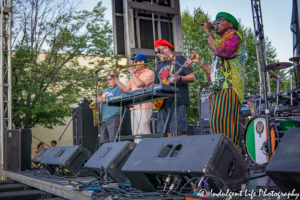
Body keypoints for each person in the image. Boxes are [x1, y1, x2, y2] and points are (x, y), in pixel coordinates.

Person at [191, 12, 246, 152]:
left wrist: (207, 32)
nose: (216, 23)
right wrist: (200, 62)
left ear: (230, 24)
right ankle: (223, 164)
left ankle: (234, 163)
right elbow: (214, 73)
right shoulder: (221, 43)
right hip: (218, 90)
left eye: (220, 20)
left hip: (229, 88)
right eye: (215, 20)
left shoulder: (234, 36)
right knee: (217, 129)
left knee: (225, 131)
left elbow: (220, 51)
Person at [153, 39, 195, 136]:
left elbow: (192, 78)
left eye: (158, 51)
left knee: (179, 131)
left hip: (178, 101)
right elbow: (156, 84)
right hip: (163, 102)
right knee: (166, 133)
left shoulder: (179, 59)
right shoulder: (159, 66)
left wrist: (179, 78)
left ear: (166, 48)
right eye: (156, 53)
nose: (157, 54)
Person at [110, 54, 154, 143]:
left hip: (144, 106)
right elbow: (125, 89)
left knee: (144, 133)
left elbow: (139, 84)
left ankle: (147, 153)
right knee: (136, 134)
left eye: (136, 61)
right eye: (133, 62)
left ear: (142, 62)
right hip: (134, 107)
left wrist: (133, 73)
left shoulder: (149, 73)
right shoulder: (135, 75)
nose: (134, 63)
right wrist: (115, 79)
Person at [97, 73, 123, 144]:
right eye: (107, 79)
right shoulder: (105, 90)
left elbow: (118, 100)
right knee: (103, 141)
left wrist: (104, 100)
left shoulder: (119, 88)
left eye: (110, 79)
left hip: (113, 116)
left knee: (113, 140)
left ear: (115, 79)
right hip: (104, 118)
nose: (108, 81)